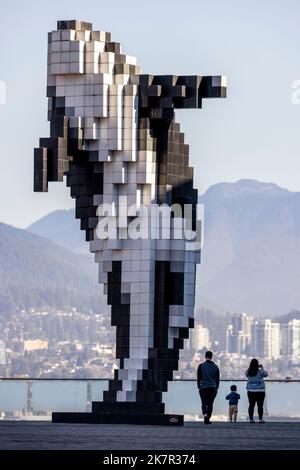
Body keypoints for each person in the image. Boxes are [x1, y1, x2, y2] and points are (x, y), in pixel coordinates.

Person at [197, 351, 220, 424]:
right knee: (210, 404)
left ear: (205, 356)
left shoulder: (201, 366)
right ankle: (208, 418)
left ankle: (205, 415)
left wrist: (199, 386)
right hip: (213, 388)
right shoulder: (215, 366)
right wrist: (216, 388)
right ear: (211, 357)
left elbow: (199, 377)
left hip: (203, 388)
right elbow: (217, 379)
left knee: (204, 403)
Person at [246, 358, 268, 423]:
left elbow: (246, 374)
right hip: (260, 391)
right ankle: (260, 419)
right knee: (260, 406)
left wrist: (250, 367)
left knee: (251, 405)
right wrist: (261, 368)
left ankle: (251, 419)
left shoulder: (249, 371)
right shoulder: (260, 371)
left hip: (250, 391)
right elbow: (266, 374)